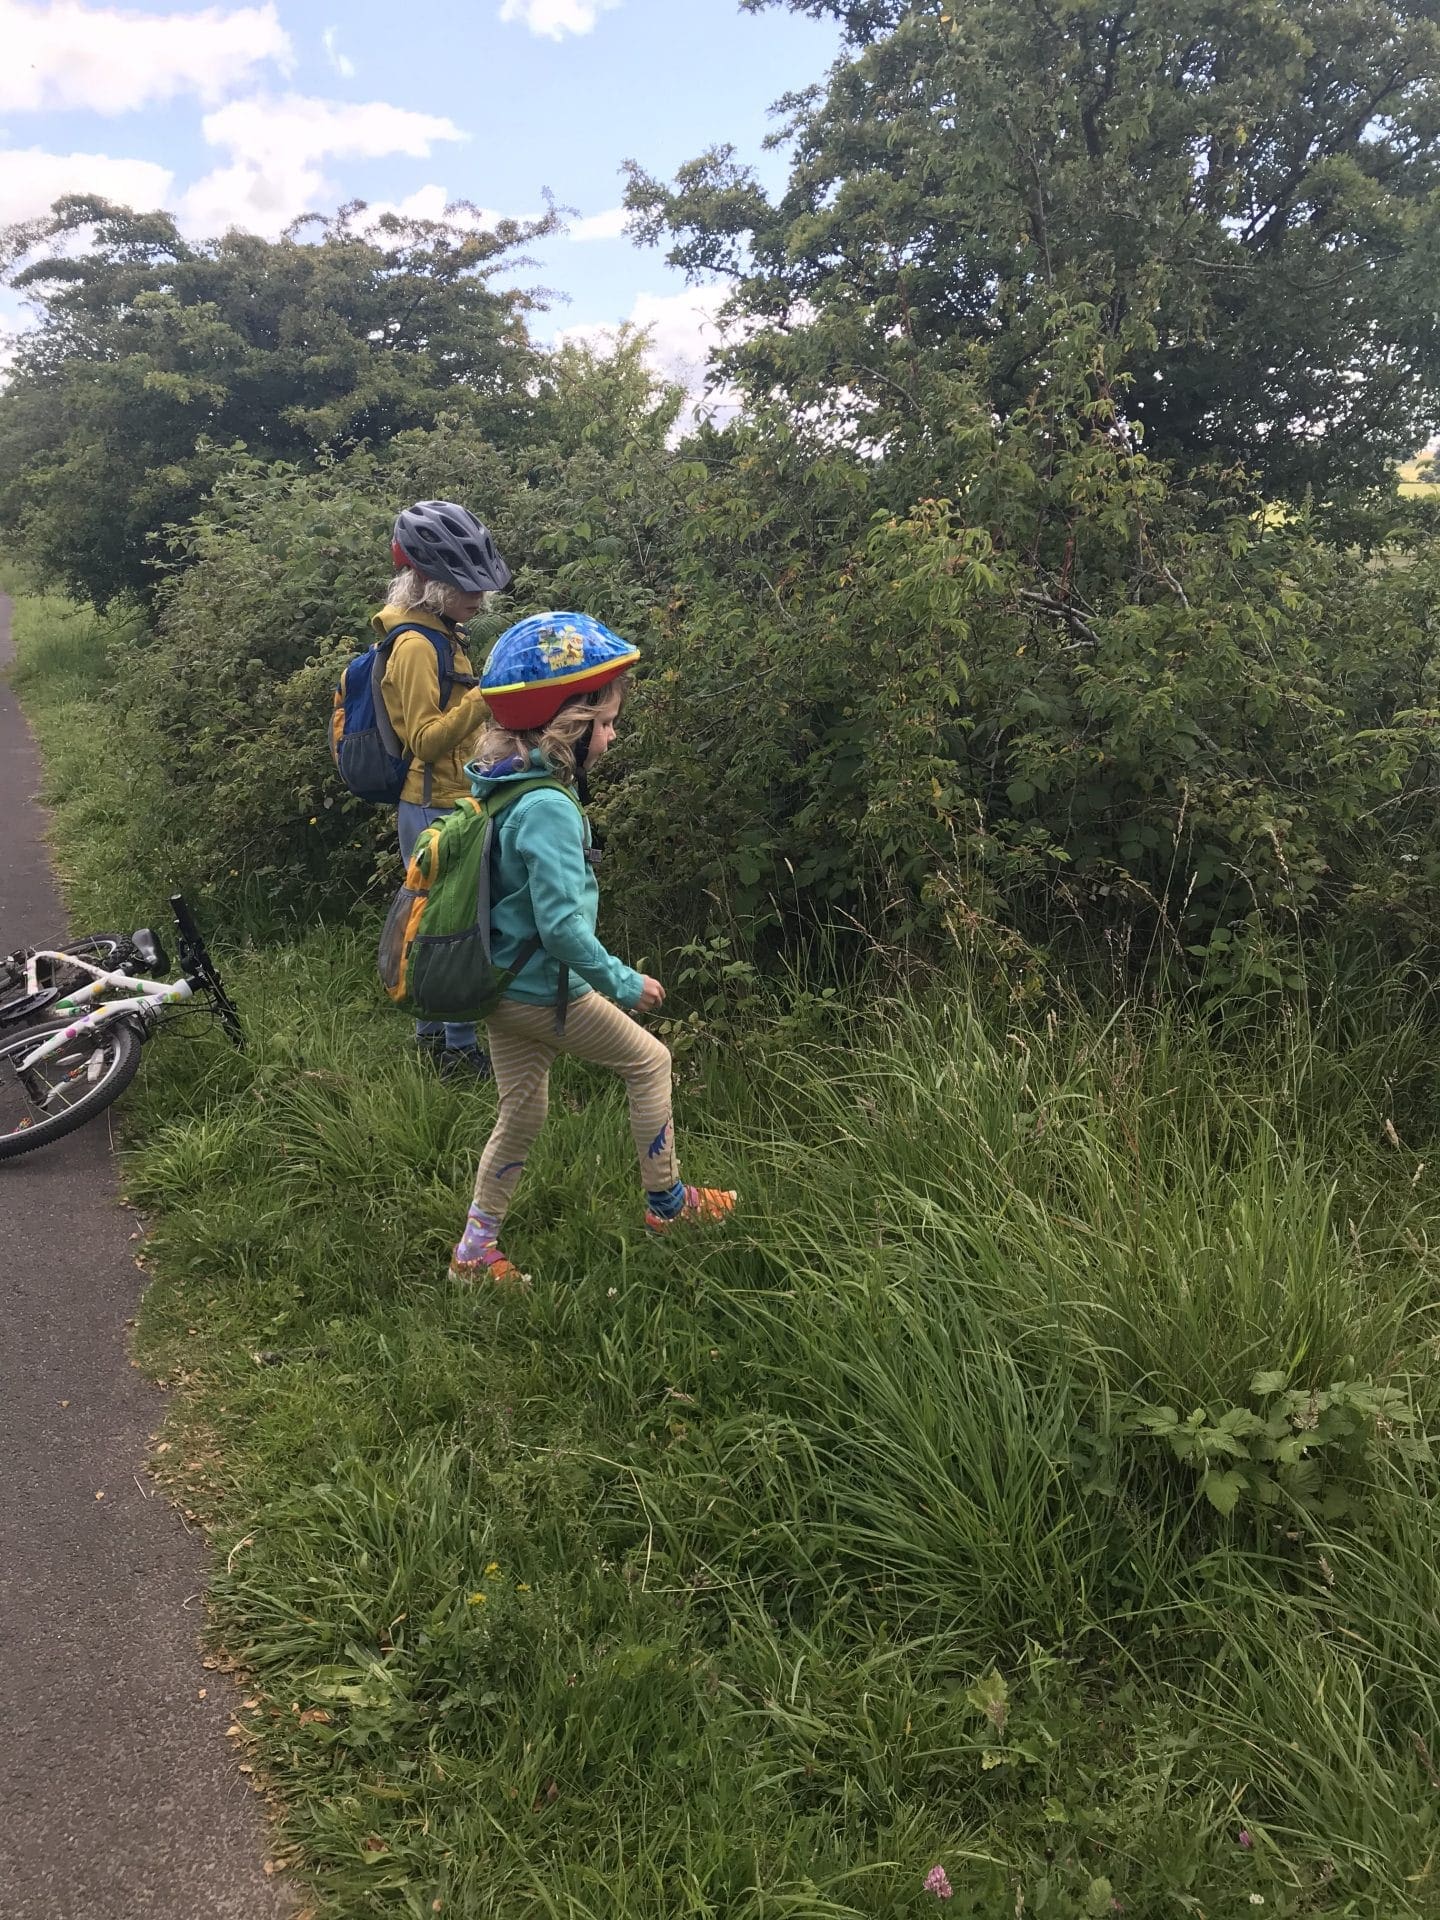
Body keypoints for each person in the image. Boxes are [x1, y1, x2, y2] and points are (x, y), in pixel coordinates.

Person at [448, 610, 736, 1285]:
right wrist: (623, 982)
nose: (612, 733)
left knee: (523, 1107)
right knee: (649, 1062)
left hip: (496, 982)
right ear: (566, 730)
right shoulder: (546, 806)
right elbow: (561, 929)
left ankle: (474, 1251)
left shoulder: (504, 788)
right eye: (603, 722)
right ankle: (667, 1203)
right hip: (538, 987)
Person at [380, 500, 512, 1079]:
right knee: (450, 921)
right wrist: (484, 696)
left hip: (454, 797)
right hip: (429, 803)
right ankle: (454, 1049)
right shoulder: (413, 645)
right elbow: (426, 740)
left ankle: (433, 1038)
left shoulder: (444, 633)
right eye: (465, 587)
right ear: (427, 582)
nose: (477, 600)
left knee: (439, 915)